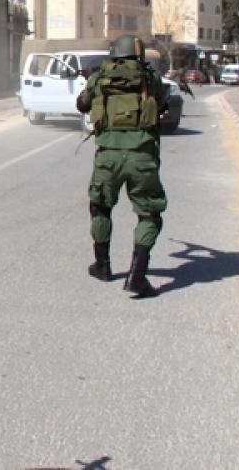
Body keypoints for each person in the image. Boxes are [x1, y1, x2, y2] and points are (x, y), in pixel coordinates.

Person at [75, 35, 168, 298]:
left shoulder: (100, 78)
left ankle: (103, 266)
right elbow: (162, 105)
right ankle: (137, 276)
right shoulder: (149, 78)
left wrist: (92, 84)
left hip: (108, 157)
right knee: (149, 214)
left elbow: (81, 105)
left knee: (101, 207)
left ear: (114, 53)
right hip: (142, 157)